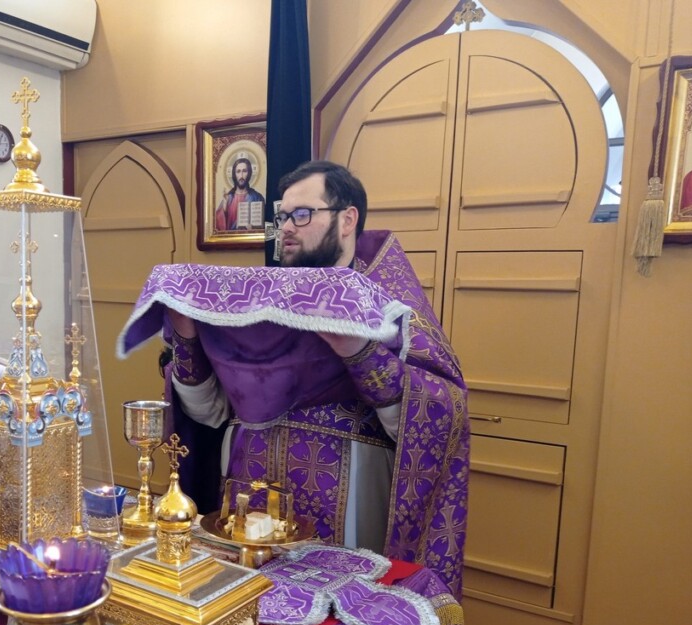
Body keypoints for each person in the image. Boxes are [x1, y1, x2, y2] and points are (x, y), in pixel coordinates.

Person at [164, 160, 469, 598]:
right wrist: (186, 335)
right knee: (245, 615)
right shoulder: (254, 302)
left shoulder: (387, 301)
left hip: (348, 496)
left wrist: (358, 350)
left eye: (302, 214)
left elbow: (439, 411)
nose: (287, 228)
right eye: (283, 216)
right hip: (245, 492)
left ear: (347, 219)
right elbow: (207, 412)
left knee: (335, 624)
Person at [214, 156, 266, 231]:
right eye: (238, 171)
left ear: (249, 173)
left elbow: (266, 224)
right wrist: (224, 210)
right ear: (234, 174)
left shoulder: (257, 197)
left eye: (244, 171)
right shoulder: (228, 198)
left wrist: (255, 229)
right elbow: (217, 226)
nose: (241, 176)